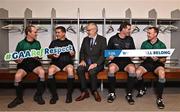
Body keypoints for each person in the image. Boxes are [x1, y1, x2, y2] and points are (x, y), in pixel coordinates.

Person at [8, 25, 46, 108]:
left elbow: (40, 56)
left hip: (34, 63)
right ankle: (19, 98)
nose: (36, 34)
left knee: (42, 72)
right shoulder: (21, 44)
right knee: (17, 76)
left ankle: (38, 96)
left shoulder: (37, 43)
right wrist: (17, 60)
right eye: (35, 32)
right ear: (28, 33)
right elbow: (15, 57)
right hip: (24, 64)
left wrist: (37, 56)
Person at [136, 27, 166, 109]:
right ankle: (142, 88)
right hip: (147, 63)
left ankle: (159, 98)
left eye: (149, 33)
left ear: (155, 34)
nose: (147, 34)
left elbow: (164, 59)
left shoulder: (161, 45)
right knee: (137, 73)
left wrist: (159, 59)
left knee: (162, 73)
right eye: (147, 33)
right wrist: (143, 57)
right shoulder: (144, 44)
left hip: (157, 64)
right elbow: (140, 57)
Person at [75, 23, 107, 102]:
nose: (87, 32)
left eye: (89, 30)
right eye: (87, 30)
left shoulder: (102, 39)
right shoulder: (85, 39)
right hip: (86, 63)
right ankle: (84, 91)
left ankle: (94, 91)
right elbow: (81, 52)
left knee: (92, 71)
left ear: (95, 30)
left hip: (98, 64)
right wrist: (82, 60)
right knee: (79, 69)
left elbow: (104, 54)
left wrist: (96, 64)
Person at [106, 22, 136, 105]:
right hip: (116, 62)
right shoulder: (112, 39)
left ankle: (129, 94)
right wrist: (110, 56)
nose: (129, 31)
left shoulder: (130, 39)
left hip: (127, 62)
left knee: (132, 69)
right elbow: (108, 54)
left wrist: (132, 55)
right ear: (123, 29)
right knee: (111, 69)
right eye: (128, 29)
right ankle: (112, 93)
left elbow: (133, 53)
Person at [47, 26, 75, 104]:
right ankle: (54, 96)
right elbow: (48, 55)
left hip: (67, 63)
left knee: (70, 70)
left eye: (58, 32)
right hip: (56, 64)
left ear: (64, 33)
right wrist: (53, 55)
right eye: (56, 32)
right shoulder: (54, 42)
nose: (57, 34)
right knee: (50, 70)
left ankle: (69, 95)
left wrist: (72, 53)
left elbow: (73, 54)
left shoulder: (69, 42)